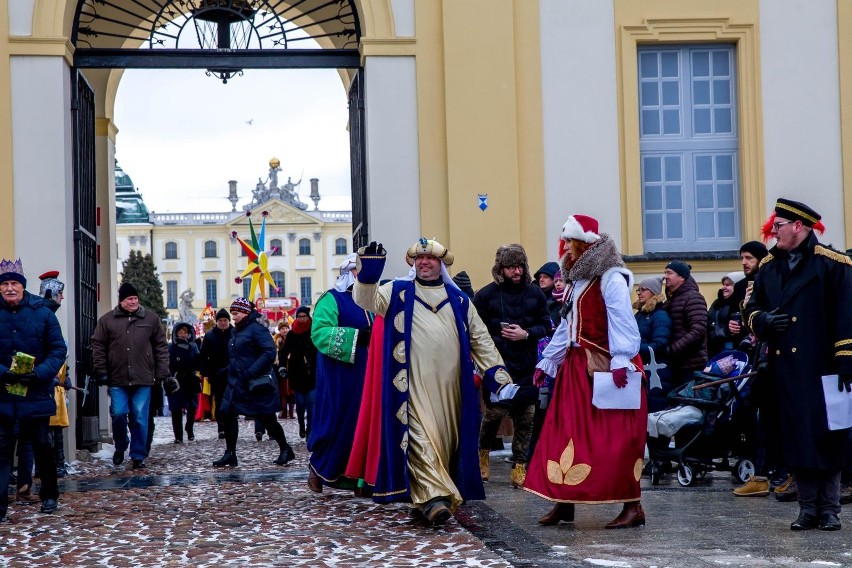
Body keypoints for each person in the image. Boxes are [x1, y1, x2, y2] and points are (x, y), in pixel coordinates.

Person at [353, 238, 517, 526]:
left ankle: (424, 498)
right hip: (411, 386)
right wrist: (368, 274)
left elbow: (481, 341)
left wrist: (499, 378)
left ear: (442, 265)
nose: (424, 263)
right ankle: (436, 500)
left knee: (444, 444)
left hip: (452, 388)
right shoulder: (397, 292)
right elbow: (366, 301)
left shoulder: (460, 301)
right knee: (417, 438)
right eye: (419, 258)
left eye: (430, 259)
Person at [524, 214, 646, 530]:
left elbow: (622, 321)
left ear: (583, 244)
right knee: (565, 433)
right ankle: (564, 502)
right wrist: (549, 362)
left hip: (605, 368)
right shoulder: (579, 281)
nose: (564, 248)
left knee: (614, 438)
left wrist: (622, 359)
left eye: (569, 242)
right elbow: (567, 326)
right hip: (576, 368)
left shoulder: (610, 278)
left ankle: (633, 506)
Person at [744, 198, 852, 532]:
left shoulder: (833, 264)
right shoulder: (769, 268)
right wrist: (763, 321)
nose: (772, 231)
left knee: (827, 436)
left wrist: (846, 358)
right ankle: (807, 508)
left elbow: (846, 314)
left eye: (778, 225)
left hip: (823, 366)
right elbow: (749, 309)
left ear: (798, 227)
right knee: (796, 437)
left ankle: (830, 508)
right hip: (786, 370)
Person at [473, 244, 551, 488]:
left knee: (526, 417)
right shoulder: (485, 295)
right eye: (510, 267)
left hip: (526, 365)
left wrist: (526, 334)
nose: (516, 271)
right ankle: (482, 454)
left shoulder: (535, 293)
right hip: (497, 366)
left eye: (520, 266)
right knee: (494, 414)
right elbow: (476, 332)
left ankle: (520, 465)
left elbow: (546, 325)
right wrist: (502, 338)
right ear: (501, 269)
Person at [0, 258, 66, 519]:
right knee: (3, 450)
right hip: (3, 394)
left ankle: (49, 495)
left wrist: (39, 373)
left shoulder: (42, 312)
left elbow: (58, 349)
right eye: (5, 284)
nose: (9, 288)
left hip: (35, 393)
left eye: (14, 283)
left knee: (42, 446)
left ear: (23, 286)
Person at [307, 254, 373, 493]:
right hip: (341, 376)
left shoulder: (375, 300)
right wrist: (356, 337)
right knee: (341, 423)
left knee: (367, 425)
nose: (361, 277)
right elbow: (320, 333)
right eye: (357, 272)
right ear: (348, 273)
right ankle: (320, 468)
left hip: (370, 375)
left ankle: (362, 480)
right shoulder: (331, 299)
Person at [92, 282, 169, 470]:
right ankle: (120, 445)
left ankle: (137, 455)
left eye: (135, 298)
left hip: (143, 378)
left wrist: (162, 372)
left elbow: (161, 346)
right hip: (117, 377)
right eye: (130, 299)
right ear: (121, 301)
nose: (134, 301)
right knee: (118, 414)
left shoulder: (150, 319)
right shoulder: (107, 321)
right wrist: (101, 371)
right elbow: (98, 346)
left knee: (140, 418)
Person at [213, 298, 295, 468]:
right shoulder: (237, 331)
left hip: (255, 383)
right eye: (232, 314)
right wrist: (226, 371)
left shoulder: (257, 329)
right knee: (227, 413)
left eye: (235, 314)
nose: (233, 317)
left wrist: (251, 371)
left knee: (267, 418)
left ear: (245, 312)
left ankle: (285, 449)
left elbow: (269, 352)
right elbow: (238, 355)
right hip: (236, 382)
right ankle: (230, 453)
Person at [39, 271, 71, 479]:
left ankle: (57, 463)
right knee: (42, 429)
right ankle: (46, 465)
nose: (62, 298)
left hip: (55, 380)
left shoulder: (50, 316)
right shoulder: (43, 315)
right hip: (43, 380)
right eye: (60, 294)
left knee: (55, 427)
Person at [663, 261, 708, 388]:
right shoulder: (671, 300)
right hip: (677, 364)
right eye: (665, 273)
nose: (665, 276)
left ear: (682, 277)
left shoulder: (693, 298)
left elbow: (698, 330)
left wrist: (672, 349)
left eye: (669, 273)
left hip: (691, 365)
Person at [633, 276, 672, 413]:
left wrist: (633, 349)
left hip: (656, 374)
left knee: (653, 410)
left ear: (654, 292)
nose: (639, 292)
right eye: (638, 289)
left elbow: (660, 344)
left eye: (644, 289)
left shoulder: (660, 315)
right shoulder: (641, 314)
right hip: (642, 370)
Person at [279, 306, 317, 440]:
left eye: (304, 316)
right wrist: (282, 367)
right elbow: (284, 352)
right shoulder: (292, 333)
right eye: (299, 316)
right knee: (300, 404)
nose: (302, 319)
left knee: (311, 403)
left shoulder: (314, 329)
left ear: (308, 316)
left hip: (312, 372)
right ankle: (301, 424)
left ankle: (310, 430)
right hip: (297, 372)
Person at [200, 308, 233, 440]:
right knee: (219, 401)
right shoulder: (210, 336)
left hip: (232, 372)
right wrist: (205, 372)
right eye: (220, 320)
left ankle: (230, 425)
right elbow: (203, 356)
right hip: (216, 374)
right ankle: (221, 427)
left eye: (225, 320)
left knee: (232, 401)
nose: (223, 322)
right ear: (217, 321)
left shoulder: (235, 333)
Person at [167, 322, 201, 443]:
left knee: (192, 407)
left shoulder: (193, 346)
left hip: (190, 379)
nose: (182, 335)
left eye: (185, 332)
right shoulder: (171, 347)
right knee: (176, 409)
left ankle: (189, 428)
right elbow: (167, 364)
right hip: (176, 381)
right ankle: (178, 436)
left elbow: (198, 361)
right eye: (180, 332)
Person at [707, 271, 746, 356]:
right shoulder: (717, 302)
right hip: (714, 348)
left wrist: (725, 331)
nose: (723, 288)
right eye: (723, 284)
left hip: (731, 349)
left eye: (728, 285)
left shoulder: (741, 303)